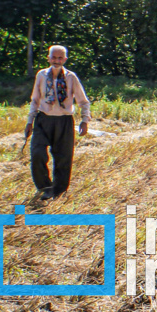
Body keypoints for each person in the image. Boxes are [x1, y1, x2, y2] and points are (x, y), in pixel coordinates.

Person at [25, 45, 91, 200]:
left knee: (63, 157)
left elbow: (83, 101)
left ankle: (59, 191)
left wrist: (85, 120)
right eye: (53, 57)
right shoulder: (41, 75)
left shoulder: (71, 77)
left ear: (65, 59)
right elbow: (35, 100)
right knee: (37, 153)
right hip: (43, 120)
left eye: (60, 58)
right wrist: (29, 122)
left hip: (64, 121)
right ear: (48, 58)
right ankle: (45, 188)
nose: (56, 60)